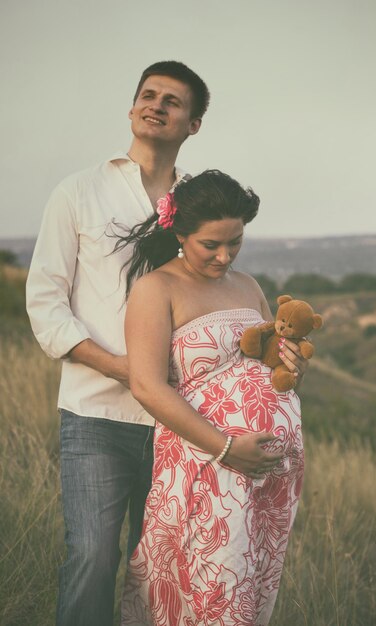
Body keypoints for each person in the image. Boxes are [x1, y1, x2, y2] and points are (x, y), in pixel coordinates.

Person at [26, 61, 211, 626]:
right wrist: (121, 368)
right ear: (132, 109)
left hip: (178, 420)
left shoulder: (201, 203)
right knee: (92, 555)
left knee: (160, 565)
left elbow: (212, 296)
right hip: (95, 415)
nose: (156, 105)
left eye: (172, 101)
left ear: (193, 124)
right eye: (147, 95)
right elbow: (45, 302)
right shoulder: (79, 190)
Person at [119, 170, 306, 626]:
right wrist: (226, 448)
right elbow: (146, 385)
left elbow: (267, 368)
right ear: (180, 233)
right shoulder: (156, 290)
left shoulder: (248, 285)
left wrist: (293, 367)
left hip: (264, 477)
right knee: (207, 589)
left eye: (236, 242)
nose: (225, 256)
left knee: (251, 588)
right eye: (211, 245)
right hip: (205, 465)